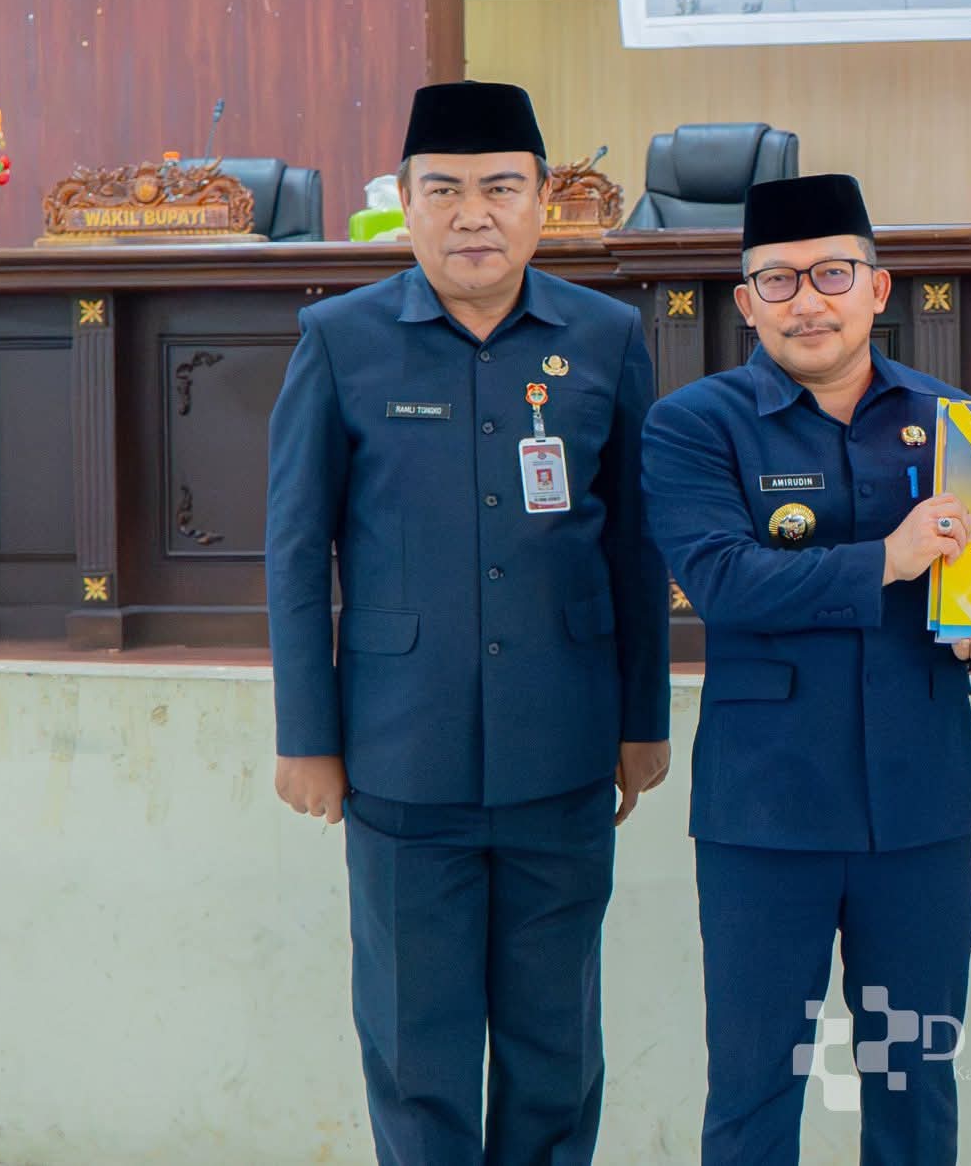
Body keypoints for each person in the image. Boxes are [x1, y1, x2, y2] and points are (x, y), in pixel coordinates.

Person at [266, 80, 670, 1165]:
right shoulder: (340, 339)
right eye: (443, 190)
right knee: (415, 1046)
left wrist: (643, 720)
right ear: (403, 203)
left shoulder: (606, 336)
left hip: (564, 747)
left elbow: (636, 545)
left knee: (555, 1047)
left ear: (543, 201)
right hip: (401, 750)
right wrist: (306, 734)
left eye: (500, 187)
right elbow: (298, 551)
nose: (472, 214)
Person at [642, 173, 971, 1165]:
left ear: (877, 288)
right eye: (778, 279)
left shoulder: (956, 421)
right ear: (745, 301)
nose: (807, 300)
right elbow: (723, 581)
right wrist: (887, 559)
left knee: (914, 1084)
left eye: (832, 274)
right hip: (765, 813)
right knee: (754, 1085)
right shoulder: (693, 424)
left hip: (922, 808)